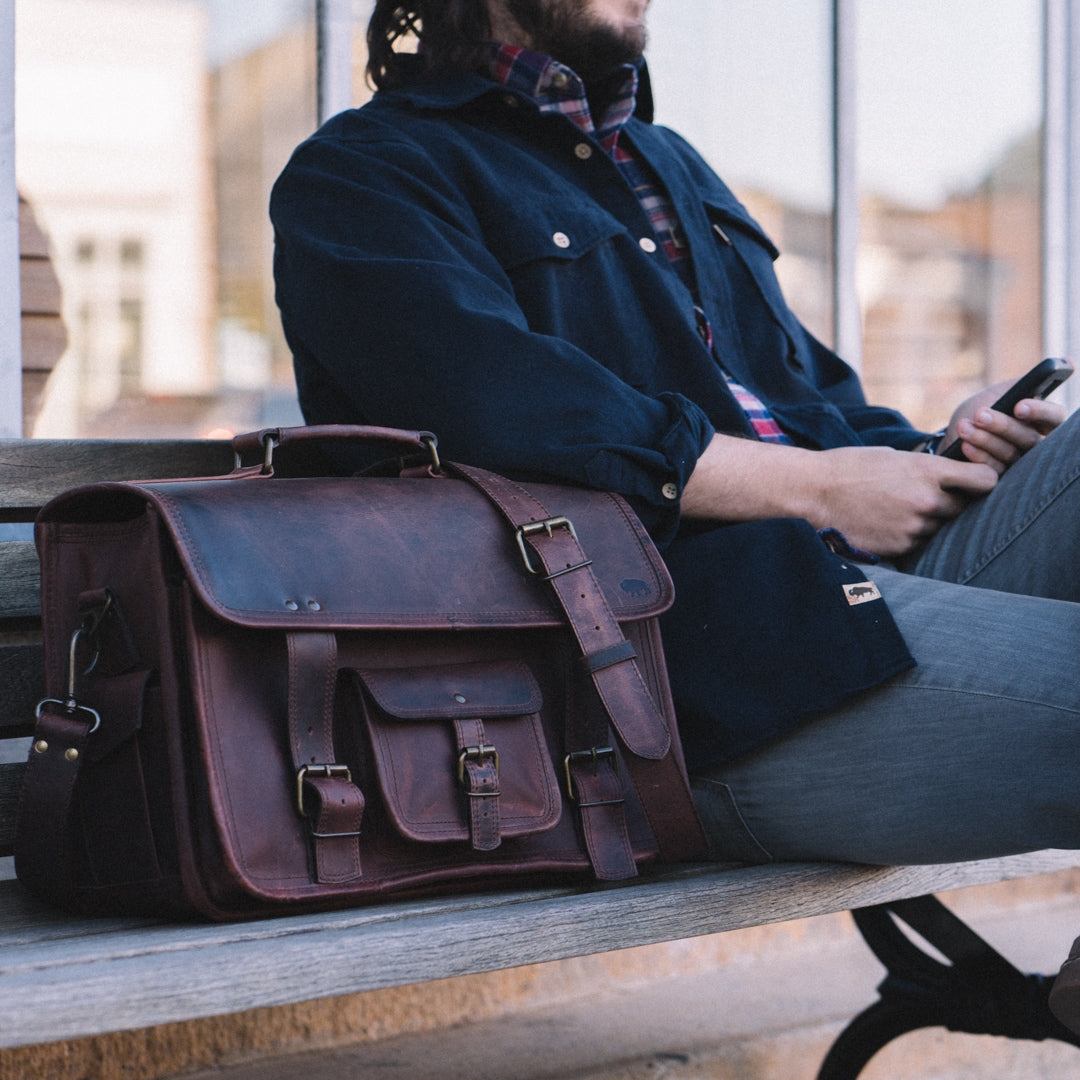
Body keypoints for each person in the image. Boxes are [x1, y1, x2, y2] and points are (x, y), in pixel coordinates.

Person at [270, 0, 1080, 1029]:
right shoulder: (368, 174)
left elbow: (806, 405)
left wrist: (938, 449)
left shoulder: (669, 166)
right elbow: (508, 413)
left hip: (854, 583)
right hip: (681, 678)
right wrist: (824, 488)